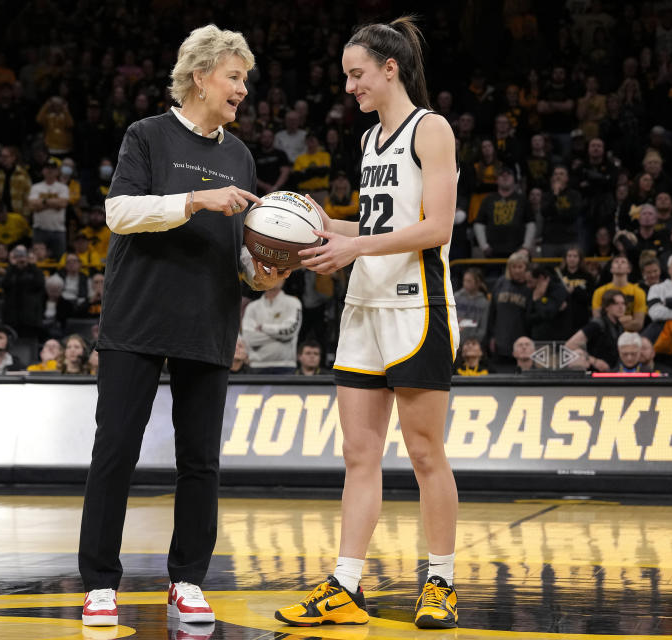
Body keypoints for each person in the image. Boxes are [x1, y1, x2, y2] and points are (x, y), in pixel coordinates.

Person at [79, 24, 288, 630]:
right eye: (234, 77)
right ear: (200, 77)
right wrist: (195, 201)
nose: (242, 90)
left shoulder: (240, 155)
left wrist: (265, 273)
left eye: (244, 80)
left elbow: (240, 258)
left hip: (208, 321)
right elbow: (118, 213)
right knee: (114, 451)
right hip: (137, 318)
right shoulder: (145, 136)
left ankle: (188, 579)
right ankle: (99, 584)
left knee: (201, 462)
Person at [274, 18, 461, 630]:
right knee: (358, 454)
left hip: (416, 305)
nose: (350, 85)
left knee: (425, 452)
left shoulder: (430, 130)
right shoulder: (366, 142)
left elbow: (436, 228)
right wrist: (324, 228)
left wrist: (354, 248)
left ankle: (441, 583)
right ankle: (346, 587)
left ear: (390, 68)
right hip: (364, 306)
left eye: (357, 74)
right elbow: (379, 225)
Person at [472, 167, 534, 260]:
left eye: (508, 175)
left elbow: (531, 223)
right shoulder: (488, 199)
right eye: (501, 175)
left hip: (517, 251)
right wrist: (484, 246)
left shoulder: (522, 199)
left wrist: (526, 247)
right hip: (492, 252)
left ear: (514, 179)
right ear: (497, 180)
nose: (505, 177)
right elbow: (479, 223)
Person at [242, 283, 302, 374]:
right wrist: (279, 337)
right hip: (256, 365)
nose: (274, 277)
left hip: (285, 365)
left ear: (285, 278)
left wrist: (263, 327)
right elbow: (248, 339)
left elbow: (289, 332)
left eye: (279, 273)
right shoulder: (252, 307)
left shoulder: (293, 303)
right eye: (270, 273)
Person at [486, 252, 531, 369]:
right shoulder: (501, 282)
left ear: (526, 268)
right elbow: (492, 312)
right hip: (500, 339)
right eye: (513, 267)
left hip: (521, 340)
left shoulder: (529, 287)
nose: (517, 270)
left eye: (520, 267)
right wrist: (491, 336)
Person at [565, 289, 626, 372]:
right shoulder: (597, 325)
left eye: (623, 303)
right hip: (594, 375)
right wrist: (594, 361)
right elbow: (569, 345)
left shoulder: (619, 326)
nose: (621, 307)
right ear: (607, 307)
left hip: (611, 373)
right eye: (616, 304)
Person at [27, 159, 70, 259]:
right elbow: (32, 205)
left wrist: (42, 202)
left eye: (52, 168)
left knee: (60, 259)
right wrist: (54, 203)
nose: (50, 171)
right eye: (47, 168)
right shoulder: (36, 187)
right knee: (37, 259)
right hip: (39, 229)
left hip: (58, 230)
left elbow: (63, 203)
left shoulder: (63, 187)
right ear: (43, 170)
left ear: (57, 171)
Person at [591, 255, 646, 332]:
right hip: (606, 335)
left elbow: (639, 324)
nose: (619, 264)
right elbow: (597, 320)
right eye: (616, 262)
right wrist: (626, 320)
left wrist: (612, 322)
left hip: (629, 336)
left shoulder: (639, 292)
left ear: (629, 269)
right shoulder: (599, 292)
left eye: (623, 262)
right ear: (611, 269)